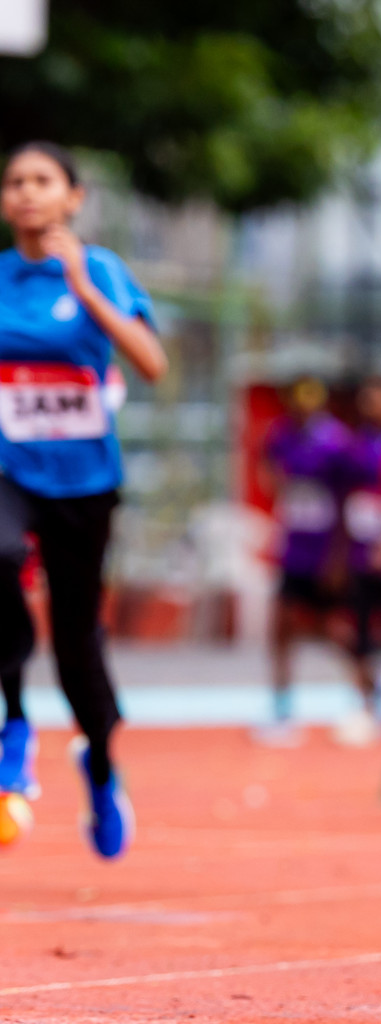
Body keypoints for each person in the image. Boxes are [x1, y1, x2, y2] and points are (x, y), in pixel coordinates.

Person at [0, 141, 168, 859]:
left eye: (42, 181)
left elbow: (153, 364)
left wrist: (86, 289)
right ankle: (13, 728)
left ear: (73, 196)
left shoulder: (100, 270)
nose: (27, 193)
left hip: (85, 481)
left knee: (77, 642)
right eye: (14, 182)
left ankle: (99, 765)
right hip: (8, 466)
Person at [256, 375, 356, 747]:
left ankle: (371, 691)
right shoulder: (281, 435)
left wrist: (339, 558)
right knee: (280, 626)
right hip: (293, 550)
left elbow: (346, 501)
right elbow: (266, 465)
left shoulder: (337, 443)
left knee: (333, 629)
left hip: (325, 552)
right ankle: (282, 708)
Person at [335, 374, 381, 744]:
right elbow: (345, 500)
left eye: (380, 395)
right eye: (366, 395)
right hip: (360, 555)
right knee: (359, 634)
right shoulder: (352, 445)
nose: (371, 402)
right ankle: (368, 703)